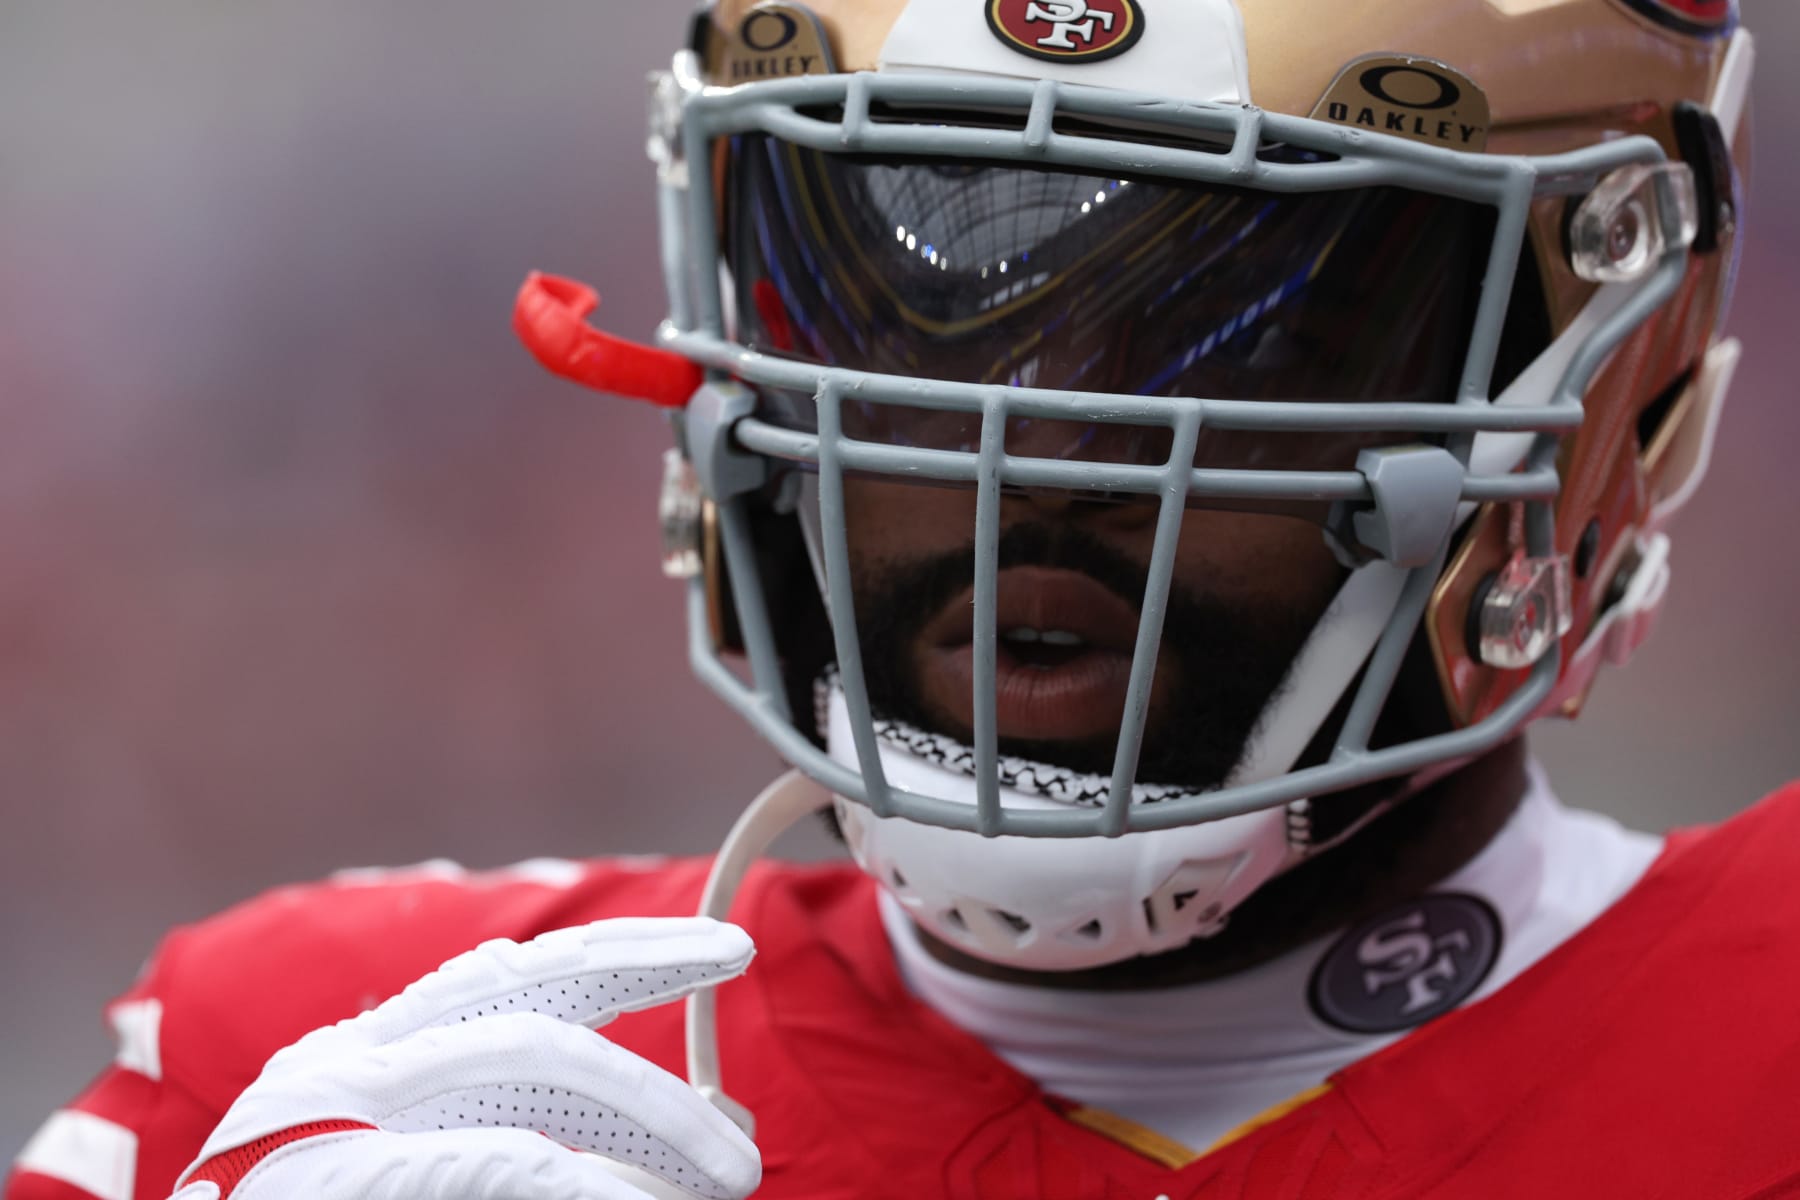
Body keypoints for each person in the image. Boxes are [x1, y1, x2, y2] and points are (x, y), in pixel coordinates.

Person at [11, 0, 1794, 1196]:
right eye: (911, 315)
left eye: (1250, 329)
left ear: (1614, 396)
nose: (1049, 464)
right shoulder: (357, 1063)